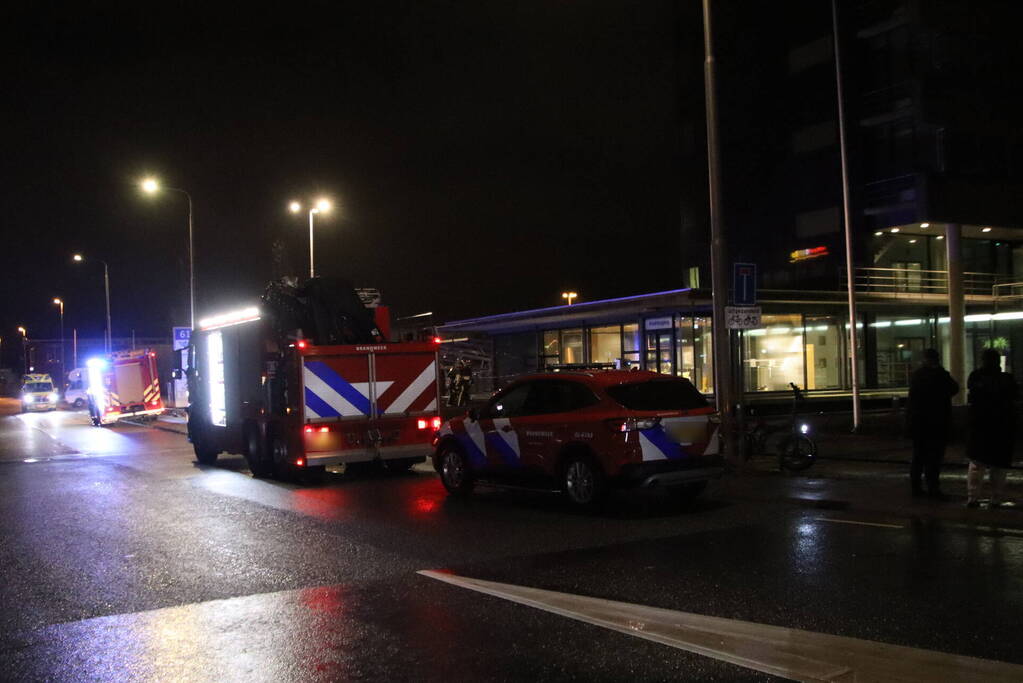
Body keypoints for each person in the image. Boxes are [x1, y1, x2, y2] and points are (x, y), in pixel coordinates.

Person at [965, 348, 1017, 508]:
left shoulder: (976, 377)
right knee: (999, 467)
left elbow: (972, 398)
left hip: (980, 425)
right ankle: (996, 498)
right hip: (1002, 426)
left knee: (977, 465)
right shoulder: (1007, 379)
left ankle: (973, 498)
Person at [907, 348, 959, 499]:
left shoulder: (918, 376)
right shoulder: (941, 375)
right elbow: (954, 388)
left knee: (918, 457)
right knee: (934, 458)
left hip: (919, 424)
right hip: (937, 423)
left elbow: (912, 401)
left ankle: (916, 487)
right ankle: (933, 488)